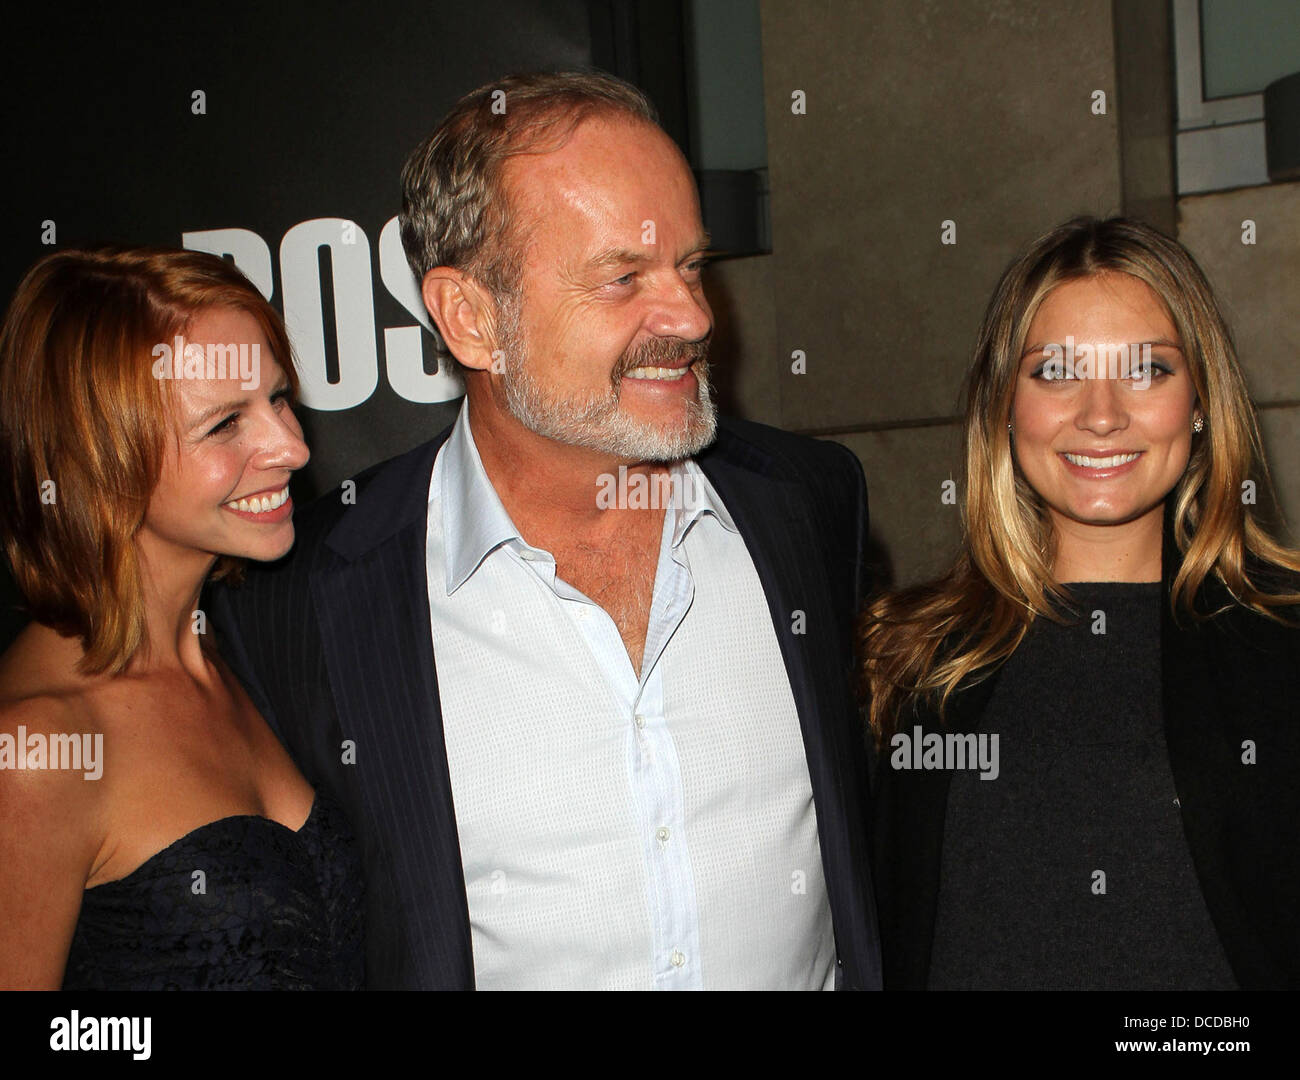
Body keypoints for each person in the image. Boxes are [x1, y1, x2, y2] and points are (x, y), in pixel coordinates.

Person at [209, 70, 880, 990]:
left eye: (690, 265)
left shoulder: (807, 504)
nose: (691, 317)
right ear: (472, 319)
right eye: (622, 277)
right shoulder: (306, 600)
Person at [863, 216, 1300, 990]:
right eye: (1056, 371)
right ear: (1004, 403)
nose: (1101, 414)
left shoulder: (1285, 640)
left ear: (1199, 401)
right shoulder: (904, 655)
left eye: (1147, 370)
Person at [0, 247, 363, 989]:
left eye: (279, 399)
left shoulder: (244, 655)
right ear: (101, 460)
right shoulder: (36, 750)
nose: (291, 448)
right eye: (226, 423)